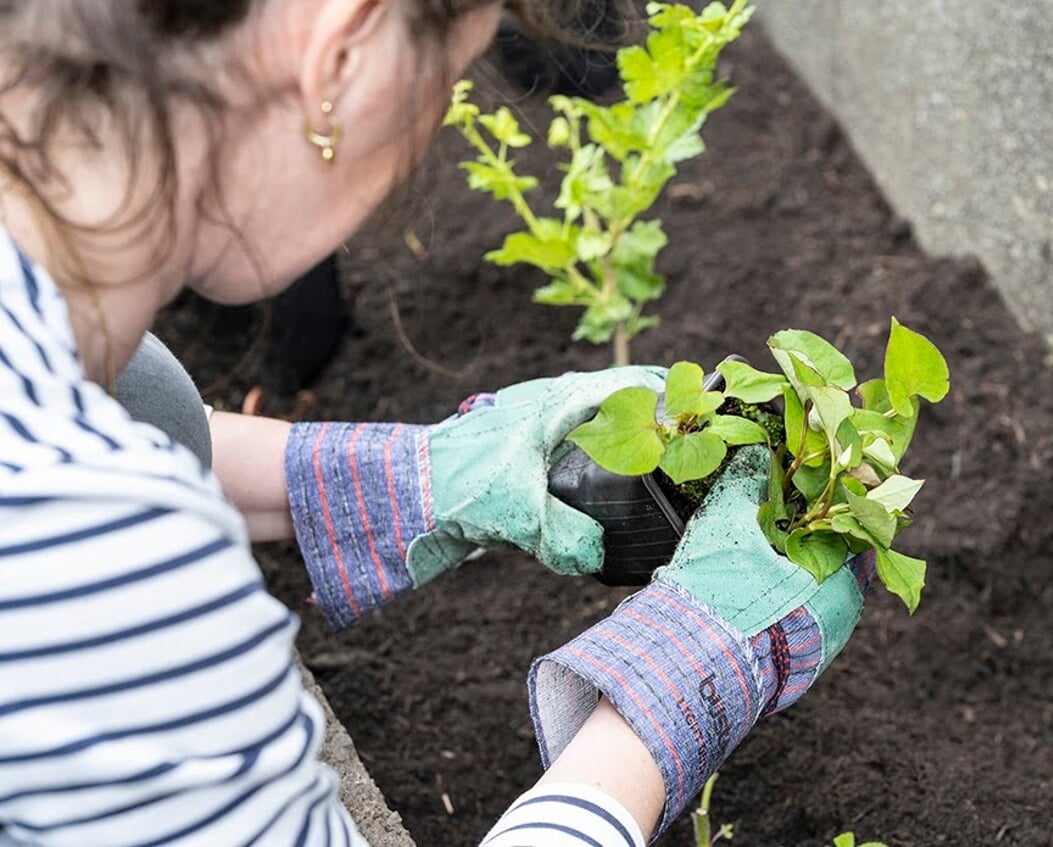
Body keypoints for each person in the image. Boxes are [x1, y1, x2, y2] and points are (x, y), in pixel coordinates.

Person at [0, 2, 872, 845]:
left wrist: (420, 475)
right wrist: (679, 689)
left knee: (150, 388)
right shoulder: (96, 562)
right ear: (339, 54)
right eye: (445, 77)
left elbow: (140, 420)